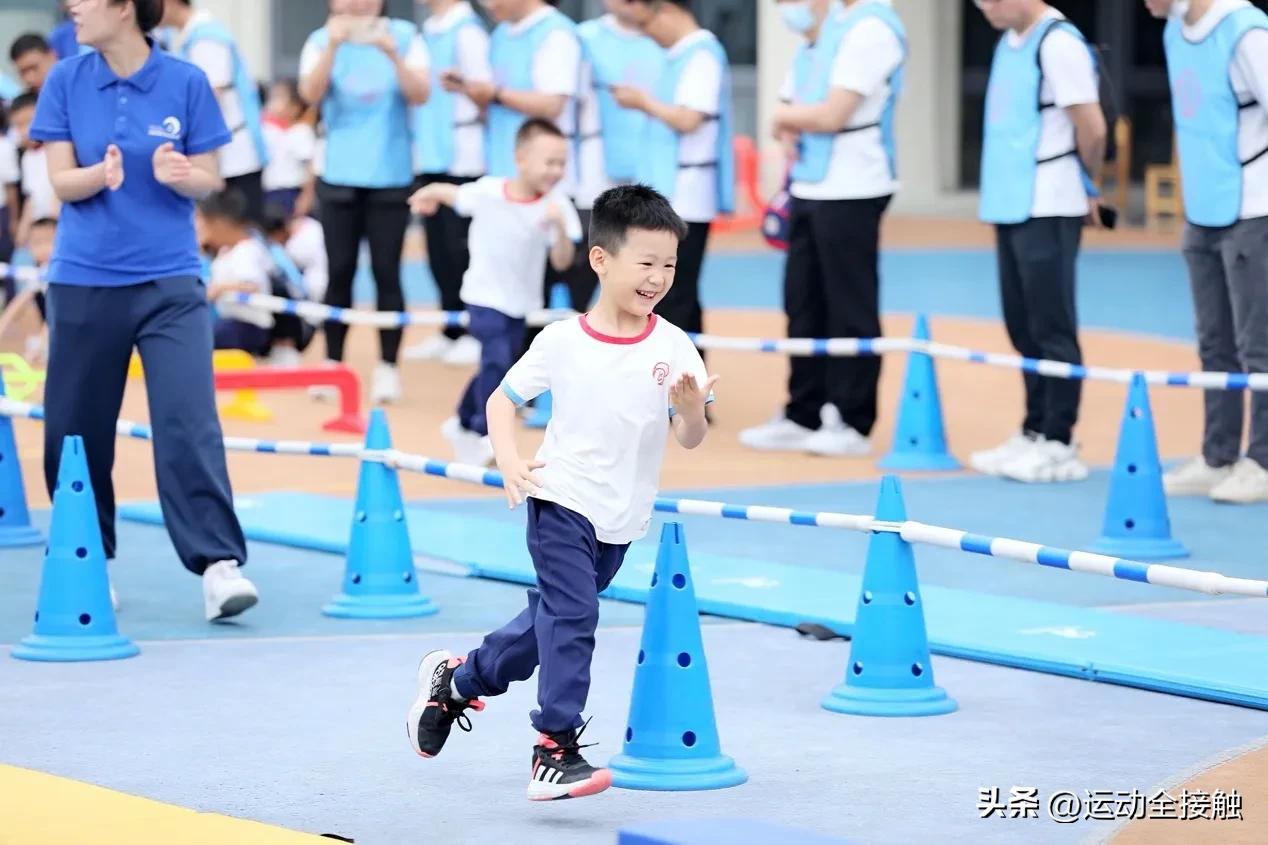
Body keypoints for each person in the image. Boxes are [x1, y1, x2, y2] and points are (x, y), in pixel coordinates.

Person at [405, 184, 715, 801]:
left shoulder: (676, 346)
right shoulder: (562, 340)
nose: (658, 277)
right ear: (601, 260)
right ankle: (555, 747)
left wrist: (690, 410)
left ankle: (458, 681)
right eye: (645, 263)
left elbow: (690, 437)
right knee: (574, 615)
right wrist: (512, 460)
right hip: (559, 499)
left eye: (669, 266)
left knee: (548, 622)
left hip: (621, 517)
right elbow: (503, 400)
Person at [30, 0, 258, 622]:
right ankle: (86, 561)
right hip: (83, 281)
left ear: (125, 8)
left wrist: (184, 173)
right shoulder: (64, 79)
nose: (72, 6)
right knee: (74, 428)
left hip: (171, 282)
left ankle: (218, 565)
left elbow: (212, 176)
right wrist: (95, 176)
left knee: (188, 420)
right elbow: (58, 180)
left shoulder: (185, 81)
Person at [740, 0, 906, 457]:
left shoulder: (873, 27)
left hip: (854, 185)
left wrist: (787, 118)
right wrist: (789, 118)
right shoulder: (828, 29)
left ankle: (851, 417)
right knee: (803, 302)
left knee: (849, 305)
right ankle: (804, 410)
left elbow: (831, 114)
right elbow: (792, 103)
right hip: (812, 184)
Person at [968, 0, 1107, 484]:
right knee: (1022, 324)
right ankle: (1033, 428)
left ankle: (1059, 439)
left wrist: (1087, 182)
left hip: (1050, 200)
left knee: (1052, 324)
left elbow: (1092, 126)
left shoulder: (1059, 43)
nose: (982, 6)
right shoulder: (1009, 43)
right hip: (1010, 201)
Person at [1144, 0, 1268, 503]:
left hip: (1254, 207)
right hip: (1203, 209)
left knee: (1258, 344)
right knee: (1214, 343)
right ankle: (1218, 455)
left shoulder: (1245, 31)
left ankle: (1262, 460)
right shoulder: (1176, 33)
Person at [409, 119, 582, 466]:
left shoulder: (558, 205)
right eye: (549, 162)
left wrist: (559, 228)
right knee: (498, 358)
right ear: (521, 158)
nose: (556, 171)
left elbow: (563, 262)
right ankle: (486, 433)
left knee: (500, 364)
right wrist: (426, 194)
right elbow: (452, 193)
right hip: (483, 295)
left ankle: (461, 421)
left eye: (562, 163)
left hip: (521, 303)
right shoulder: (489, 190)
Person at [299, 0, 431, 405]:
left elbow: (421, 93)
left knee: (386, 272)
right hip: (337, 175)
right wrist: (334, 47)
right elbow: (310, 94)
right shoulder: (320, 40)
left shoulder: (406, 37)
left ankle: (388, 368)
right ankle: (332, 364)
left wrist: (390, 52)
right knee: (338, 270)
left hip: (390, 176)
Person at [614, 0, 734, 360]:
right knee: (669, 292)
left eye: (646, 24)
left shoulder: (701, 56)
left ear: (666, 10)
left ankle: (681, 392)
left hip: (686, 195)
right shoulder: (677, 57)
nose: (647, 35)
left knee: (673, 294)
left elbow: (688, 119)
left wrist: (642, 102)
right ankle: (680, 388)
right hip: (666, 193)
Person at [403, 0, 491, 367]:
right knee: (438, 248)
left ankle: (473, 330)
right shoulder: (429, 31)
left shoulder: (468, 31)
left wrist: (465, 86)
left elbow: (485, 92)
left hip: (463, 155)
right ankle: (449, 327)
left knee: (462, 247)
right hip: (432, 153)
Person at [567, 0, 664, 315]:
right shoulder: (584, 37)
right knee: (585, 258)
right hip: (595, 165)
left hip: (653, 166)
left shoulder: (663, 40)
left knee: (645, 257)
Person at [161, 0, 270, 223]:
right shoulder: (180, 36)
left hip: (231, 158)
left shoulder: (207, 38)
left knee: (241, 235)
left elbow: (210, 103)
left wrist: (212, 165)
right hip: (214, 156)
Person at [197, 190, 278, 357]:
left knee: (206, 338)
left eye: (205, 224)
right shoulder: (226, 251)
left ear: (220, 224)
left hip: (248, 325)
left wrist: (220, 289)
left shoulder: (247, 250)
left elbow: (251, 285)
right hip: (230, 320)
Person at [8, 92, 62, 248]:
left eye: (29, 121)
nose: (25, 130)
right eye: (18, 125)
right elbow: (31, 197)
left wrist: (53, 224)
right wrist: (23, 229)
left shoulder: (56, 150)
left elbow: (56, 194)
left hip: (56, 227)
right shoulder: (27, 158)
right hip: (39, 230)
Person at [261, 78, 316, 217]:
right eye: (272, 98)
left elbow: (309, 166)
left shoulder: (301, 131)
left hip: (292, 191)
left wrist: (306, 196)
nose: (272, 103)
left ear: (295, 107)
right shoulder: (266, 130)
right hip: (270, 190)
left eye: (279, 98)